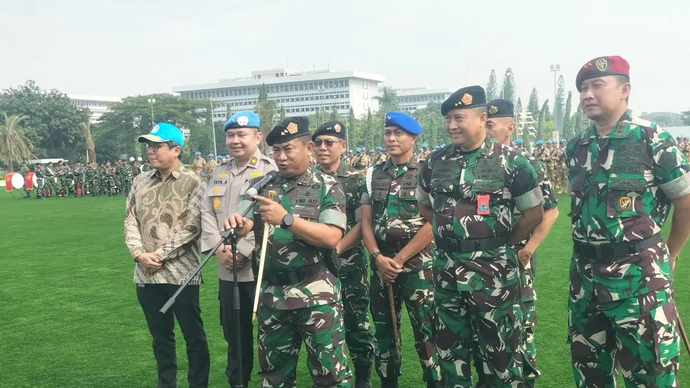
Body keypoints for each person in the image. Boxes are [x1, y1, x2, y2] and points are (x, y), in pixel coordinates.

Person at [567, 55, 690, 387]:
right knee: (590, 374)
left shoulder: (652, 139)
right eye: (583, 88)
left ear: (625, 90)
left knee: (650, 374)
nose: (587, 94)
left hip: (638, 279)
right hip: (585, 281)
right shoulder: (577, 146)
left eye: (597, 85)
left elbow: (686, 202)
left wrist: (670, 254)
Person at [417, 86, 544, 388]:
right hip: (447, 272)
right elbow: (425, 205)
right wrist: (452, 235)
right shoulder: (435, 161)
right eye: (448, 119)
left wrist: (499, 242)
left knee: (501, 355)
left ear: (481, 118)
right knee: (450, 355)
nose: (451, 125)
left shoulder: (512, 161)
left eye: (458, 118)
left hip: (494, 274)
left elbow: (534, 214)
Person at [223, 117, 353, 388]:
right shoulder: (264, 185)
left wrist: (287, 219)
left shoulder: (327, 186)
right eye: (276, 151)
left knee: (330, 376)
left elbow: (331, 236)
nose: (281, 157)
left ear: (308, 149)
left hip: (315, 295)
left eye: (288, 149)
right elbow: (248, 221)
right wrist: (239, 226)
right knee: (273, 377)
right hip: (272, 296)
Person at [124, 123, 210, 388]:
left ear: (176, 150)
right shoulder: (140, 181)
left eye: (157, 146)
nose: (150, 151)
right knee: (160, 338)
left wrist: (158, 255)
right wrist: (139, 253)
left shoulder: (193, 182)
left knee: (193, 336)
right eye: (149, 146)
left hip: (182, 274)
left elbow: (192, 227)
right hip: (146, 274)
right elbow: (130, 220)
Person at [361, 111, 441, 388]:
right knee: (384, 332)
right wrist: (377, 257)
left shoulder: (428, 170)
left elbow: (434, 222)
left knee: (427, 330)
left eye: (399, 133)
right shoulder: (374, 173)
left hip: (419, 266)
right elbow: (366, 222)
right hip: (382, 263)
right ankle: (388, 381)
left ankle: (434, 381)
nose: (392, 138)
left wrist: (399, 259)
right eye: (388, 133)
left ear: (413, 138)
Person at [485, 98, 560, 388]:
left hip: (518, 256)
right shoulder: (481, 162)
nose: (485, 129)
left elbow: (550, 210)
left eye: (490, 124)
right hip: (484, 258)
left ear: (510, 127)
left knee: (520, 322)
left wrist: (528, 249)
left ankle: (525, 379)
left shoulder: (525, 162)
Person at [200, 111, 276, 387]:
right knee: (234, 337)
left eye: (242, 135)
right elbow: (206, 213)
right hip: (226, 268)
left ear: (257, 136)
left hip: (260, 270)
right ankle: (238, 382)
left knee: (269, 335)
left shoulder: (271, 171)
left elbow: (271, 219)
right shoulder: (219, 171)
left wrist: (243, 249)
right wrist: (218, 249)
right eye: (230, 135)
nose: (235, 140)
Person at [313, 121, 375, 388]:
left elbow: (363, 223)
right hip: (315, 265)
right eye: (318, 143)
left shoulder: (355, 179)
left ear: (342, 146)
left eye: (330, 142)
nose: (323, 148)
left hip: (349, 263)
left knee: (356, 321)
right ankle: (327, 375)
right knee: (320, 322)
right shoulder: (308, 179)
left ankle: (363, 376)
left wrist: (336, 248)